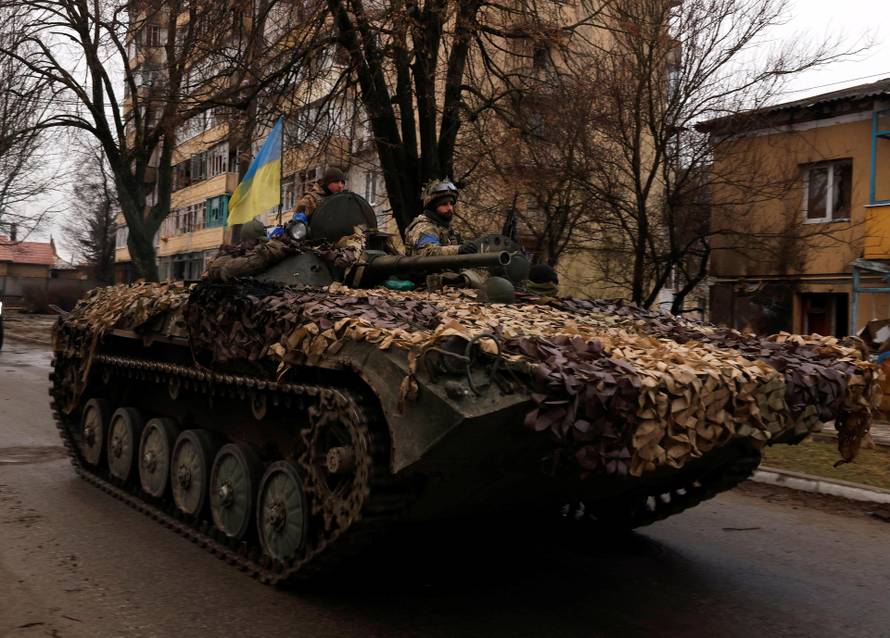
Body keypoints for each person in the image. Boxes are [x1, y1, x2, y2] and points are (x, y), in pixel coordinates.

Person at [405, 179, 477, 257]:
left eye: (451, 204)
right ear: (433, 207)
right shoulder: (424, 227)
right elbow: (428, 252)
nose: (450, 208)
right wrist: (459, 249)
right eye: (444, 204)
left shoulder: (445, 228)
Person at [205, 218, 290, 282]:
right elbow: (221, 269)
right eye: (254, 241)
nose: (257, 244)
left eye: (260, 241)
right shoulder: (232, 254)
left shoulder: (264, 250)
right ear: (243, 241)